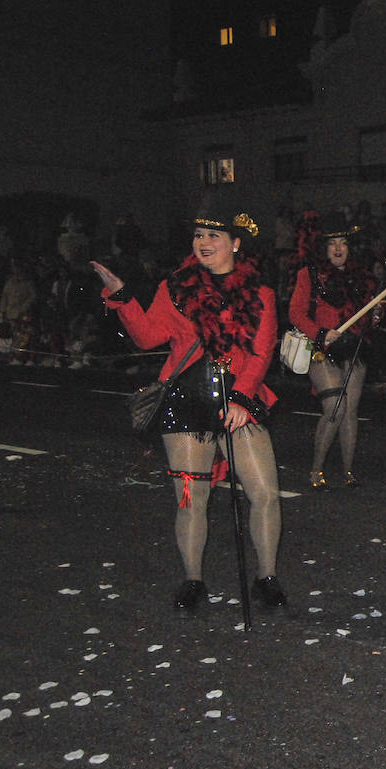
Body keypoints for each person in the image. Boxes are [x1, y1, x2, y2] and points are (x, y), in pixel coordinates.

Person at [91, 208, 287, 615]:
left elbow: (261, 349)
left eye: (215, 235)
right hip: (184, 402)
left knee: (265, 493)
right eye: (199, 234)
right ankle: (193, 580)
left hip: (238, 401)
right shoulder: (174, 288)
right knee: (189, 498)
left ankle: (266, 577)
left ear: (235, 244)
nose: (204, 242)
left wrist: (242, 397)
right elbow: (147, 337)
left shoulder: (260, 293)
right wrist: (122, 296)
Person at [289, 213, 380, 489]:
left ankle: (348, 472)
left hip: (353, 347)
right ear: (323, 248)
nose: (338, 249)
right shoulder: (308, 274)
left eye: (343, 242)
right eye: (332, 244)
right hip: (322, 348)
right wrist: (320, 333)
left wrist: (375, 315)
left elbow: (367, 316)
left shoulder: (361, 276)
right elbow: (295, 313)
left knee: (350, 411)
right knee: (335, 406)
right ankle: (316, 469)